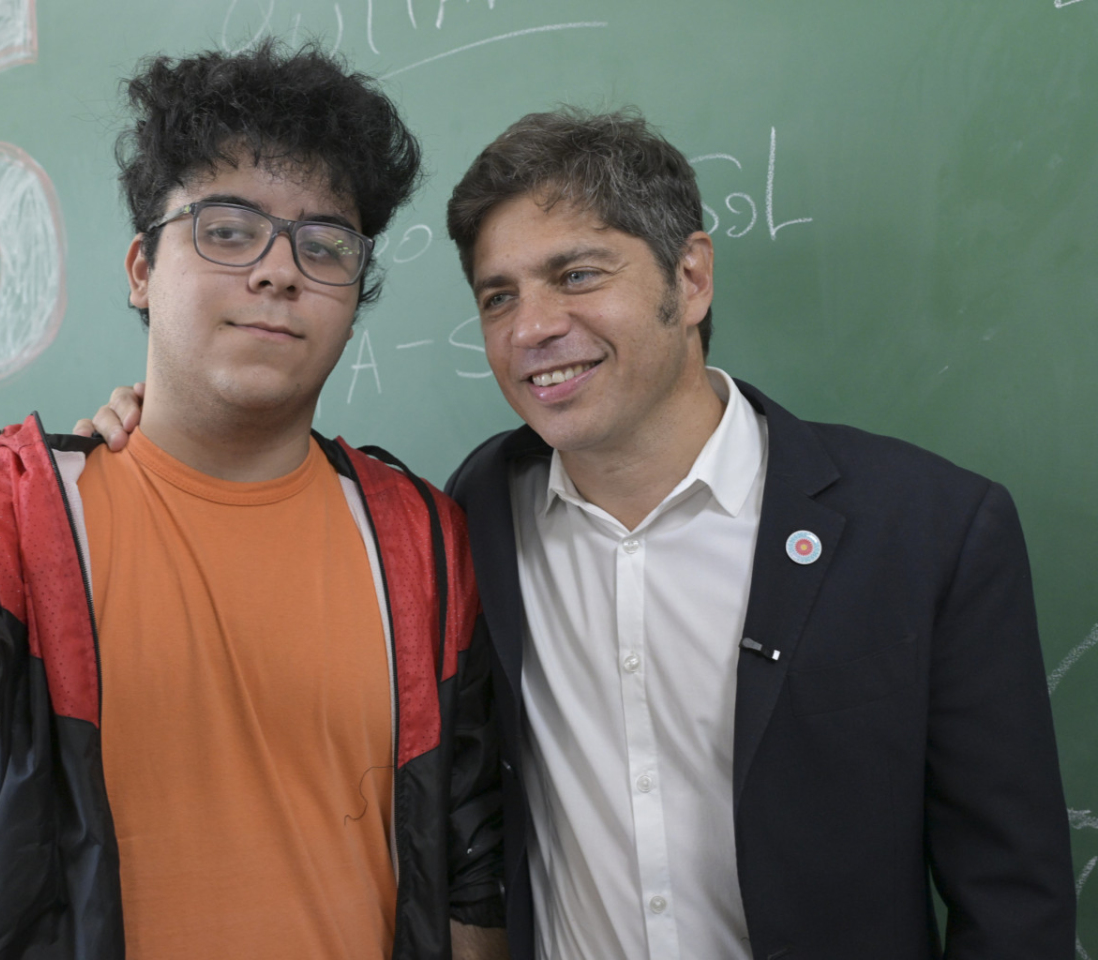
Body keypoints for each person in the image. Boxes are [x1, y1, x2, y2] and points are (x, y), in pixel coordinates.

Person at [84, 107, 1076, 960]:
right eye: (499, 297)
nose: (533, 328)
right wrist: (141, 430)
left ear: (690, 278)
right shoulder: (467, 520)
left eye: (577, 274)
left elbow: (1013, 900)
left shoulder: (927, 530)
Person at [0, 43, 507, 960]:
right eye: (228, 229)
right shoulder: (26, 510)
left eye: (324, 245)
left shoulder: (422, 538)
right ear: (142, 268)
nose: (280, 272)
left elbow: (469, 854)